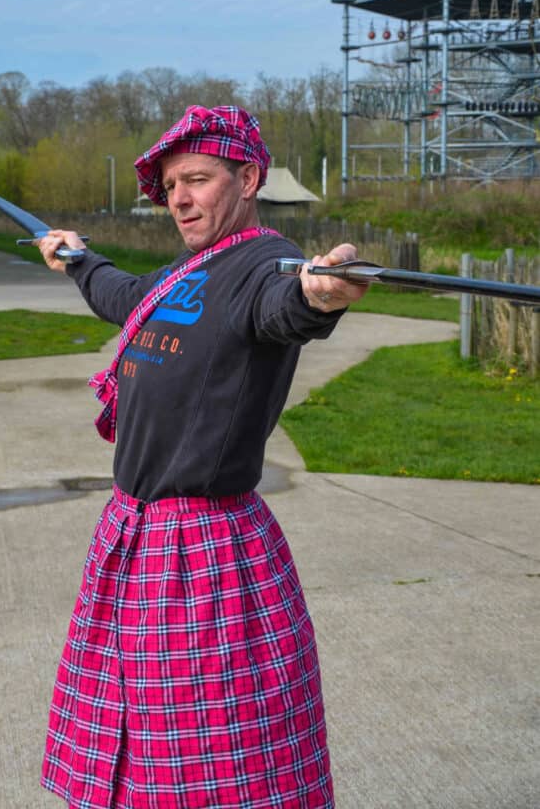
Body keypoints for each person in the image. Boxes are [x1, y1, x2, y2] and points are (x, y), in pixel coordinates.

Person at [36, 105, 367, 809]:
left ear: (247, 179)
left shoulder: (262, 266)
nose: (179, 199)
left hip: (203, 556)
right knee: (137, 756)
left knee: (210, 770)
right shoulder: (187, 272)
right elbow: (124, 295)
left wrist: (319, 297)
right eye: (169, 187)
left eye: (196, 180)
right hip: (133, 539)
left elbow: (285, 307)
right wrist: (77, 258)